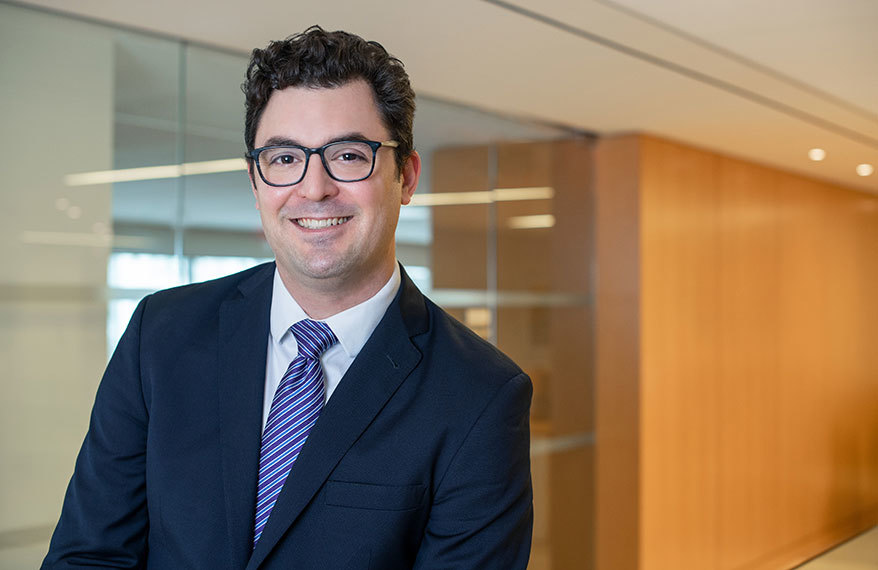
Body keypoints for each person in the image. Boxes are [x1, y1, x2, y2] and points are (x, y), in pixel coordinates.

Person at [43, 26, 533, 569]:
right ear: (255, 183)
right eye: (283, 159)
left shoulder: (480, 394)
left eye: (349, 155)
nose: (314, 188)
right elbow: (89, 555)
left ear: (407, 177)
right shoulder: (160, 334)